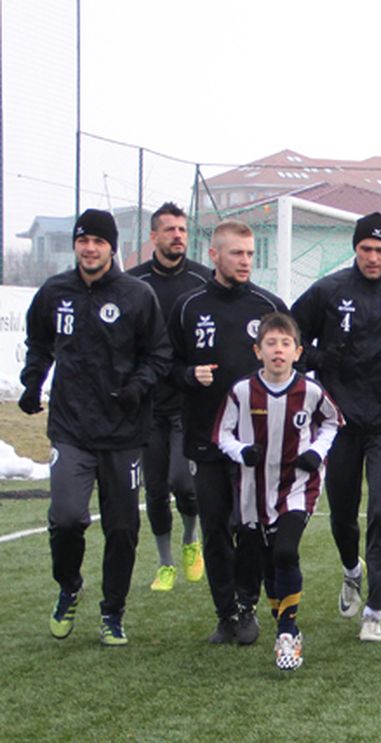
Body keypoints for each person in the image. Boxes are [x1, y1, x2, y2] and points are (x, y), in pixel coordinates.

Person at [21, 209, 173, 645]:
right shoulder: (55, 292)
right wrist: (33, 381)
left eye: (98, 242)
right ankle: (69, 585)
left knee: (122, 528)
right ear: (76, 245)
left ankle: (113, 611)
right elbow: (39, 343)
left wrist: (138, 387)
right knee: (68, 518)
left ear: (112, 247)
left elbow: (159, 354)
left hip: (124, 433)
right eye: (83, 241)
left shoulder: (137, 295)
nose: (90, 249)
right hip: (70, 428)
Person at [291, 212, 381, 642]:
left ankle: (375, 610)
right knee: (343, 514)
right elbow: (292, 338)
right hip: (339, 420)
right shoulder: (328, 291)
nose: (373, 257)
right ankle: (352, 569)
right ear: (355, 249)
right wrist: (321, 360)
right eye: (366, 249)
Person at [169, 220, 287, 644]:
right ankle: (225, 614)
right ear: (214, 255)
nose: (245, 261)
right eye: (237, 253)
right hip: (205, 437)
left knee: (250, 527)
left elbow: (292, 366)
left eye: (251, 254)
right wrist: (187, 374)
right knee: (215, 527)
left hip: (253, 445)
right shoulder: (188, 307)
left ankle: (245, 603)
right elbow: (165, 364)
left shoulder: (269, 307)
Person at [215, 312, 341, 671]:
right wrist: (241, 451)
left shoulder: (310, 391)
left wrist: (316, 452)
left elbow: (333, 422)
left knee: (286, 551)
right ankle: (281, 618)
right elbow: (222, 434)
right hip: (254, 489)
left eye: (286, 344)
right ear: (258, 351)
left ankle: (288, 632)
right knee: (266, 561)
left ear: (298, 351)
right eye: (271, 343)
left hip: (298, 485)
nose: (278, 350)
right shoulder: (241, 392)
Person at [126, 202, 209, 591]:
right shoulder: (133, 283)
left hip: (186, 401)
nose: (178, 236)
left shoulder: (202, 280)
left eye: (182, 229)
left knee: (184, 483)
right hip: (146, 405)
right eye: (170, 230)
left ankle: (192, 540)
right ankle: (165, 564)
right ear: (153, 237)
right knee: (155, 490)